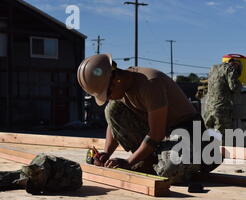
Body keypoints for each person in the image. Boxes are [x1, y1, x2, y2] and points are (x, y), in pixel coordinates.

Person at [77, 54, 216, 184]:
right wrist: (106, 154)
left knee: (169, 172)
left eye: (107, 94)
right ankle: (151, 159)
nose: (108, 98)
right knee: (112, 109)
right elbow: (113, 125)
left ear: (116, 80)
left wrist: (129, 162)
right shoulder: (121, 90)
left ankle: (204, 155)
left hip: (187, 129)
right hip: (163, 134)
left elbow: (156, 134)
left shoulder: (150, 83)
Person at [203, 59, 242, 138]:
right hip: (221, 109)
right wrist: (240, 84)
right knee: (222, 137)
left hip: (208, 109)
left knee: (208, 136)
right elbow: (234, 87)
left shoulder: (213, 68)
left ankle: (210, 150)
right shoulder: (230, 68)